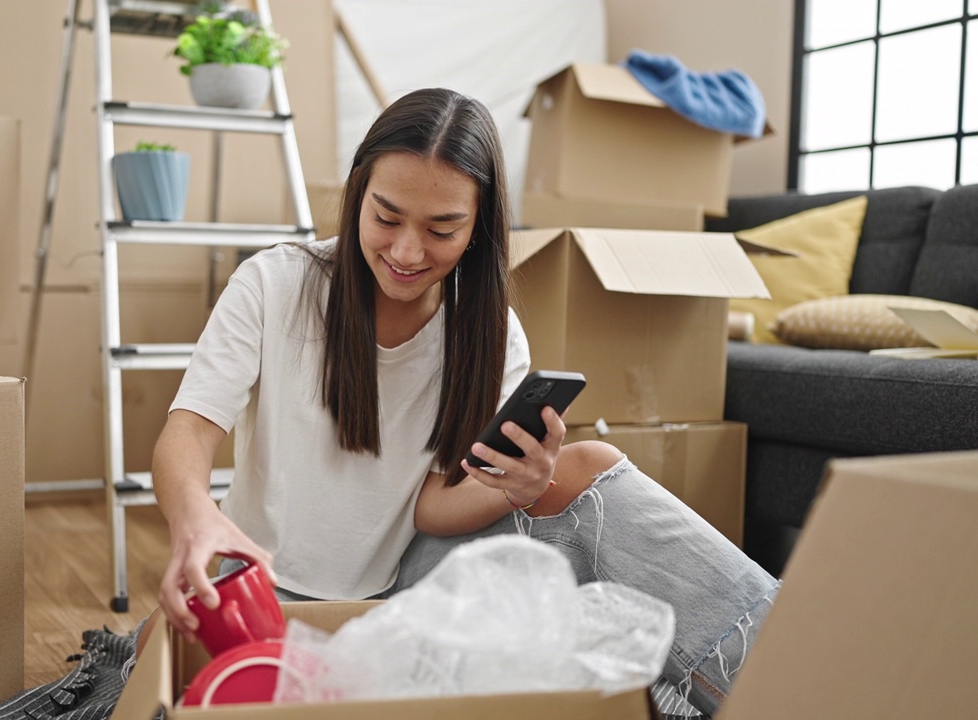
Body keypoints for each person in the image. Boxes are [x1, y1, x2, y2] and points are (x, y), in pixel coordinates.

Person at [149, 87, 778, 717]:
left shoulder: (490, 336)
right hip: (263, 594)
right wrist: (194, 516)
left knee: (585, 465)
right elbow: (191, 431)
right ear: (357, 194)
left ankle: (785, 666)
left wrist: (518, 489)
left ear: (478, 226)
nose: (405, 252)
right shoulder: (274, 283)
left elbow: (430, 505)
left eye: (441, 229)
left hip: (409, 592)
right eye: (386, 217)